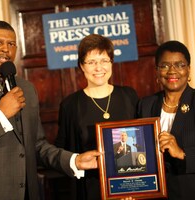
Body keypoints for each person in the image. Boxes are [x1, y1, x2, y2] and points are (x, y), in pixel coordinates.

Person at [0, 20, 101, 200]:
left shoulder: (27, 88)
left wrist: (74, 160)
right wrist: (0, 115)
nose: (5, 49)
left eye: (11, 44)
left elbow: (37, 145)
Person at [137, 40, 195, 200]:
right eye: (165, 66)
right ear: (157, 72)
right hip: (160, 194)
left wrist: (182, 153)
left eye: (179, 65)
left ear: (189, 70)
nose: (172, 71)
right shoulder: (146, 104)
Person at [55, 34, 139, 200]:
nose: (98, 67)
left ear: (111, 63)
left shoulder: (129, 96)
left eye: (104, 61)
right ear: (81, 66)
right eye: (91, 62)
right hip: (89, 191)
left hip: (129, 189)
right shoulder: (70, 105)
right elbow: (61, 151)